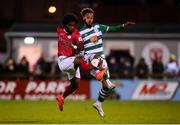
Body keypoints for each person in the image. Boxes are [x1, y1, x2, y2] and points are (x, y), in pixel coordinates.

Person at [80, 8, 135, 117]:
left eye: (91, 18)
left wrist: (123, 25)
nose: (90, 19)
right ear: (84, 18)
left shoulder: (98, 27)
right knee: (97, 61)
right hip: (89, 58)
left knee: (105, 87)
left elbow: (113, 29)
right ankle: (108, 81)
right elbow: (77, 46)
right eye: (88, 18)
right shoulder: (80, 33)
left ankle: (98, 103)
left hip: (101, 59)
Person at [56, 14, 106, 111]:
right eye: (70, 25)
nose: (72, 27)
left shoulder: (76, 34)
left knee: (75, 85)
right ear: (65, 25)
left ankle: (61, 98)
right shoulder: (59, 30)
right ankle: (97, 73)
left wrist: (74, 47)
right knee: (79, 60)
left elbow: (80, 47)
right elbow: (61, 27)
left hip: (72, 59)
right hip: (63, 60)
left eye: (74, 25)